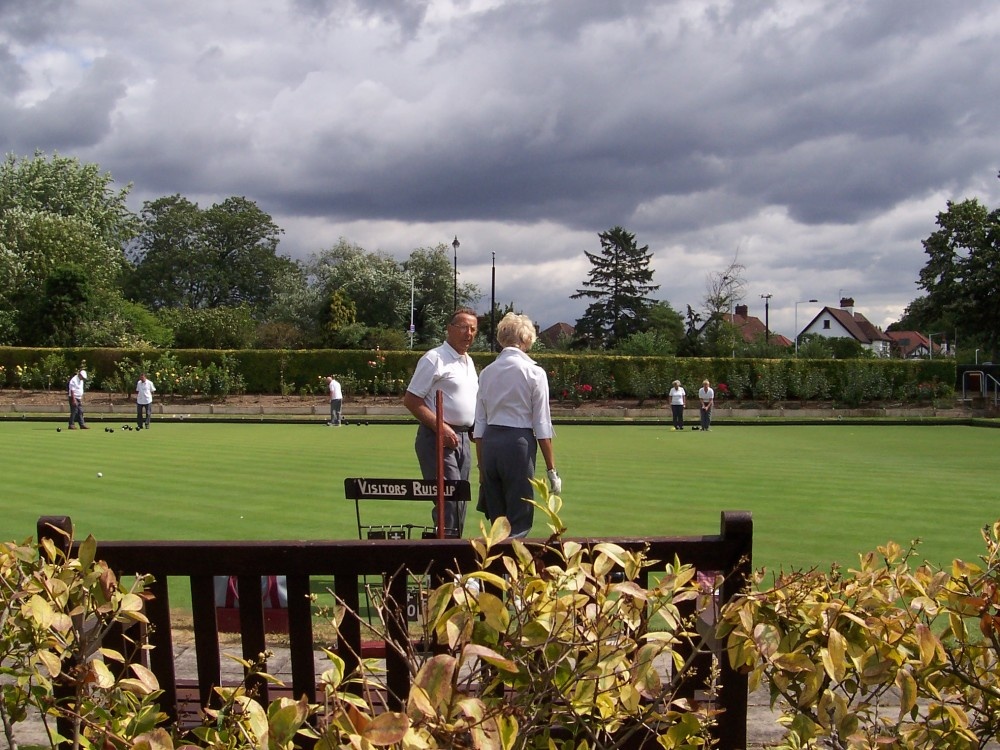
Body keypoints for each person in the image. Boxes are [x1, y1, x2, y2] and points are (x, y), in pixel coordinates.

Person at [473, 312, 560, 539]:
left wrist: (482, 466)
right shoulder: (534, 372)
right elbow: (541, 424)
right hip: (517, 444)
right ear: (526, 339)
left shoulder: (486, 373)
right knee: (519, 518)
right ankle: (511, 572)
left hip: (490, 444)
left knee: (497, 518)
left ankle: (491, 569)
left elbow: (479, 425)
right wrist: (552, 470)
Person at [403, 308, 480, 537]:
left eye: (473, 329)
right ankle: (441, 564)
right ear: (449, 329)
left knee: (460, 500)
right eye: (464, 327)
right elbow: (411, 400)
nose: (469, 333)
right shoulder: (434, 358)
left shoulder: (468, 361)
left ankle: (453, 560)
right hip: (437, 437)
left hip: (464, 437)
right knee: (447, 501)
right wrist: (442, 427)